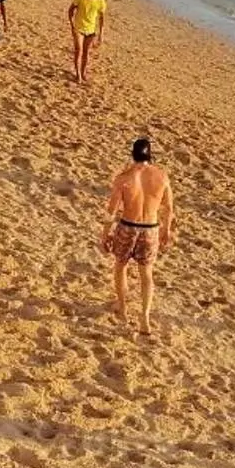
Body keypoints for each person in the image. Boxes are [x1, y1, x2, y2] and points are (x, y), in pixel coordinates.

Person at [103, 136, 175, 334]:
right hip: (150, 227)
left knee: (120, 266)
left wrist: (105, 233)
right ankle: (145, 317)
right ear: (150, 155)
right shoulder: (162, 176)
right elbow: (168, 208)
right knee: (147, 273)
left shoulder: (124, 178)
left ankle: (122, 307)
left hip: (128, 226)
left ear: (132, 154)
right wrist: (166, 230)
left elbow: (112, 210)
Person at [67, 0, 108, 84]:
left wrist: (101, 35)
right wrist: (72, 26)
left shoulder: (101, 2)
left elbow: (102, 19)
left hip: (91, 31)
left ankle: (83, 72)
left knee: (86, 52)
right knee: (78, 50)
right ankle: (78, 75)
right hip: (79, 28)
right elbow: (70, 11)